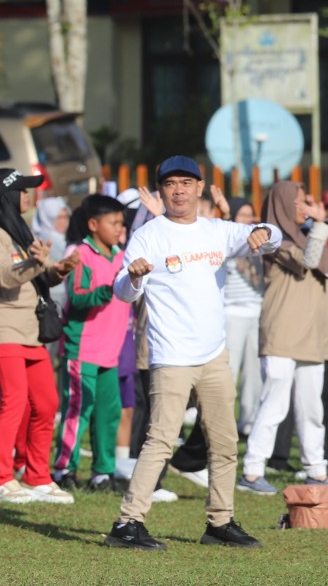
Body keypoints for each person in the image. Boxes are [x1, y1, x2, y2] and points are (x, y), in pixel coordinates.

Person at [107, 156, 280, 551]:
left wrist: (263, 234)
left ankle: (219, 522)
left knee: (223, 442)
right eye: (170, 184)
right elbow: (121, 289)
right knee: (160, 442)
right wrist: (133, 277)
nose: (179, 190)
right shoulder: (150, 235)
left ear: (200, 188)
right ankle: (128, 523)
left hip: (214, 355)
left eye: (187, 183)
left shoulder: (216, 230)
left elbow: (271, 235)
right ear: (162, 191)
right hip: (170, 356)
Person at [0, 168, 78, 505]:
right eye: (23, 191)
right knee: (14, 401)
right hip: (3, 327)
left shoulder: (19, 231)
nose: (29, 197)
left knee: (47, 403)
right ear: (7, 196)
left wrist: (57, 269)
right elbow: (5, 277)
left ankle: (37, 476)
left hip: (30, 331)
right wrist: (37, 264)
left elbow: (36, 277)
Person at [239, 181, 328, 493]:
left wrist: (319, 225)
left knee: (311, 408)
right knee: (275, 403)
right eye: (298, 202)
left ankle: (316, 469)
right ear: (282, 203)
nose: (303, 207)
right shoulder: (273, 237)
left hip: (313, 336)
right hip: (281, 332)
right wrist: (321, 223)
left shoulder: (308, 233)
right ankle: (251, 471)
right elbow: (309, 260)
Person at [50, 195, 130, 491]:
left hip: (111, 351)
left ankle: (103, 472)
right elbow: (78, 296)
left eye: (121, 223)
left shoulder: (122, 255)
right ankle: (64, 470)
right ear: (94, 225)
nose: (119, 228)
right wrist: (109, 289)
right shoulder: (81, 254)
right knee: (77, 410)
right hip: (82, 349)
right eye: (113, 222)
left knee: (109, 413)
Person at [224, 199, 265, 433]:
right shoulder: (228, 243)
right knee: (228, 372)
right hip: (232, 312)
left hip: (257, 311)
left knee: (255, 370)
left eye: (252, 215)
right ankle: (224, 422)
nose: (249, 220)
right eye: (244, 215)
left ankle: (248, 423)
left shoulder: (261, 244)